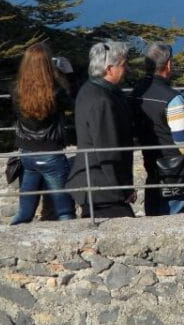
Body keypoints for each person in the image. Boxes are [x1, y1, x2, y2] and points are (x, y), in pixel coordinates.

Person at [66, 41, 136, 219]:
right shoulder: (102, 101)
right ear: (109, 69)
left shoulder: (90, 90)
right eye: (123, 64)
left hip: (95, 184)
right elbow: (108, 151)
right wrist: (123, 189)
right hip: (102, 187)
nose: (127, 68)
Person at [10, 43, 76, 224]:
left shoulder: (17, 89)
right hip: (51, 152)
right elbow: (74, 103)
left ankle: (15, 233)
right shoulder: (56, 90)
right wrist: (68, 74)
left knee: (24, 212)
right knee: (64, 211)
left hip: (27, 154)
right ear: (48, 63)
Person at [130, 43, 184, 216]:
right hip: (174, 169)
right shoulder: (173, 99)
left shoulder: (136, 92)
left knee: (153, 213)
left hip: (151, 164)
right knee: (174, 216)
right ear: (168, 64)